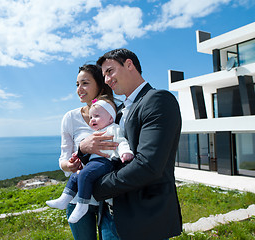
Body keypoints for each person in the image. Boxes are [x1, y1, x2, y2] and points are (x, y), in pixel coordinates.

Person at [78, 48, 183, 240]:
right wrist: (83, 149)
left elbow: (148, 165)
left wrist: (95, 187)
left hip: (142, 220)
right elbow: (106, 144)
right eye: (104, 75)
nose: (107, 80)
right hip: (110, 216)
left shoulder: (158, 100)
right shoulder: (117, 109)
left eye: (110, 71)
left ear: (129, 64)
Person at [46, 96, 134, 224]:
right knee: (75, 176)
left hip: (106, 162)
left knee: (84, 174)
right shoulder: (95, 132)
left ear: (110, 118)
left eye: (97, 116)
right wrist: (77, 154)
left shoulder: (113, 128)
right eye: (91, 117)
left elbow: (121, 141)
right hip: (94, 162)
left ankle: (82, 205)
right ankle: (64, 199)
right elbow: (88, 149)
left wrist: (125, 152)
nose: (92, 119)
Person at [55, 64, 114, 240]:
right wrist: (71, 164)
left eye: (85, 83)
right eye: (77, 84)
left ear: (101, 85)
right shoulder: (70, 118)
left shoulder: (115, 114)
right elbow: (63, 161)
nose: (79, 89)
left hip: (110, 199)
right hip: (77, 200)